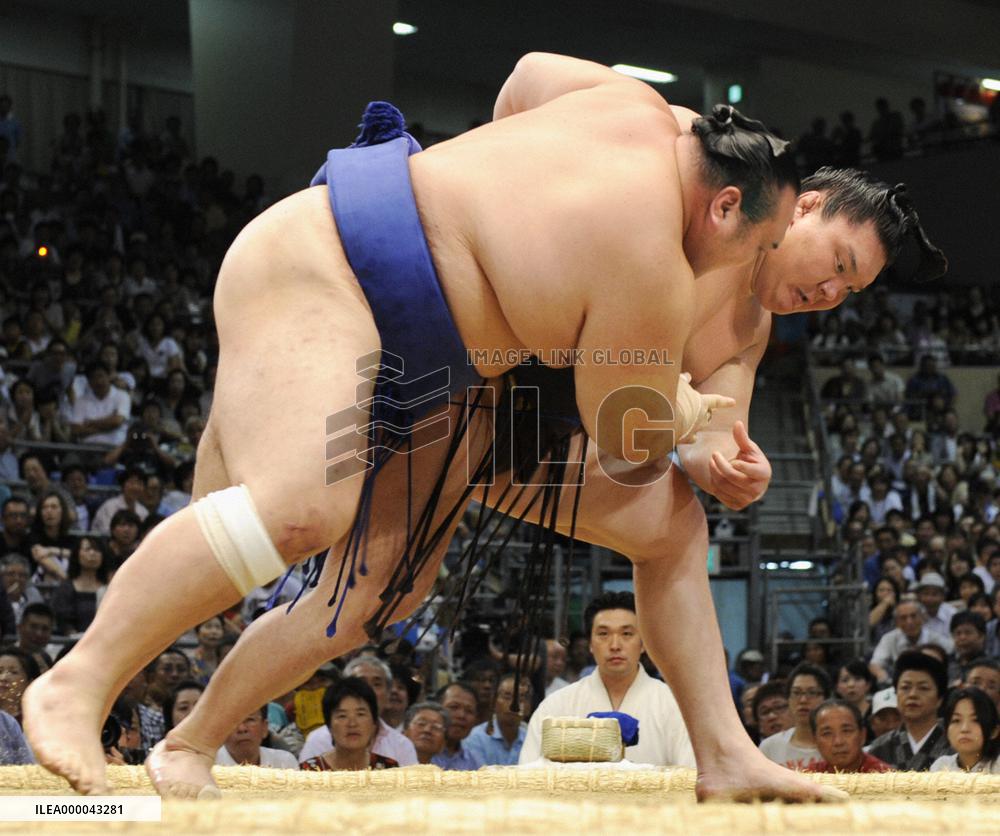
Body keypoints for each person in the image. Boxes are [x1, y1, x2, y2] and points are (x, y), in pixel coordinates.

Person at [24, 52, 846, 802]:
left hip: (464, 376)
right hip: (339, 271)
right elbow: (624, 434)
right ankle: (78, 680)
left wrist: (513, 233)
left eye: (855, 289)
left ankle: (723, 755)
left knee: (388, 582)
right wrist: (677, 405)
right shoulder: (656, 258)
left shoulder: (630, 111)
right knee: (299, 508)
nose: (828, 292)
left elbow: (524, 78)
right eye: (824, 260)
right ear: (742, 205)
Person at [519, 591, 694, 766]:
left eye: (627, 634)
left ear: (643, 643)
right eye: (603, 634)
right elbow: (529, 773)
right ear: (590, 644)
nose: (615, 645)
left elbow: (691, 773)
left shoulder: (673, 705)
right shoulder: (557, 705)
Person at [297, 656, 417, 766]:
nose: (369, 690)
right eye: (361, 683)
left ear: (388, 693)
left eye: (377, 684)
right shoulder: (318, 739)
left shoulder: (401, 745)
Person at [868, 650, 951, 771]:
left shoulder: (955, 743)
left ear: (940, 699)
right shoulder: (880, 748)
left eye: (923, 688)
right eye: (905, 687)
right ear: (896, 694)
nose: (912, 694)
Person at [299, 678, 399, 771]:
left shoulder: (389, 770)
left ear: (374, 723)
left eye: (360, 714)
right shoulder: (309, 772)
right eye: (342, 716)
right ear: (329, 726)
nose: (352, 724)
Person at [759, 663, 830, 770]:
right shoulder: (770, 747)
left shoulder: (837, 746)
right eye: (796, 693)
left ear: (826, 699)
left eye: (812, 693)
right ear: (788, 699)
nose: (803, 700)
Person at [870, 597, 953, 682]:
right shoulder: (889, 639)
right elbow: (875, 664)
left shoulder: (936, 639)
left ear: (923, 617)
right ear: (897, 622)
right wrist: (884, 677)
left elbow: (953, 653)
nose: (909, 622)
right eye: (903, 618)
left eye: (913, 616)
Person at [805, 700, 892, 774]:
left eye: (846, 731)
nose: (838, 742)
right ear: (815, 740)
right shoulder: (809, 777)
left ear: (862, 736)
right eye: (827, 733)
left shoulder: (886, 776)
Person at [465, 673, 531, 767]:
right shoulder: (476, 738)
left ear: (528, 707)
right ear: (493, 702)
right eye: (507, 698)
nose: (513, 705)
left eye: (520, 700)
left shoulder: (532, 740)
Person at [929, 687, 1000, 774]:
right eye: (956, 720)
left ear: (994, 731)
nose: (964, 729)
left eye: (976, 720)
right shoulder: (941, 767)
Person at [49, 536, 110, 635]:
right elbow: (63, 622)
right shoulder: (66, 589)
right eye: (87, 549)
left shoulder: (109, 588)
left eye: (97, 550)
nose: (92, 553)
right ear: (77, 555)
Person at [214, 706, 298, 769]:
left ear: (264, 728)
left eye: (250, 720)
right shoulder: (209, 766)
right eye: (233, 722)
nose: (242, 729)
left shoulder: (284, 763)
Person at [432, 681, 483, 770]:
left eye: (469, 711)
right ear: (435, 709)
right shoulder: (418, 751)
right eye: (454, 707)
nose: (461, 715)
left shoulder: (474, 761)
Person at [947, 612, 988, 686]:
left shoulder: (991, 666)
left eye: (968, 632)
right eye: (958, 633)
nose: (962, 637)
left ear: (981, 636)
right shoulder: (947, 663)